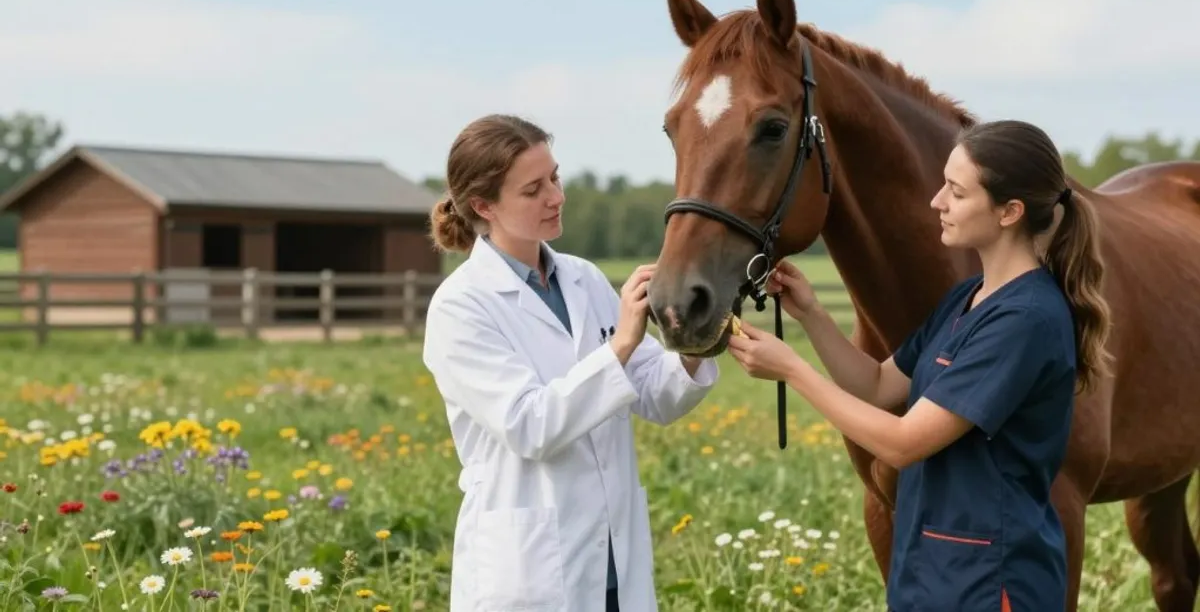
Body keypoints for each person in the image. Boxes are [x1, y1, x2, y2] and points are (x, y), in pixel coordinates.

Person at [725, 119, 1114, 611]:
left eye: (956, 191)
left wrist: (793, 372)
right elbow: (878, 385)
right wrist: (812, 314)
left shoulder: (1026, 320)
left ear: (1009, 212)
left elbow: (904, 442)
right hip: (931, 567)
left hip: (991, 581)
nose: (937, 202)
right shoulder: (968, 298)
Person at [422, 114, 720, 612]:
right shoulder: (461, 306)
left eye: (555, 177)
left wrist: (697, 334)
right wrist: (620, 344)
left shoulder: (582, 278)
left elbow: (654, 394)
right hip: (531, 573)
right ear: (482, 206)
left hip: (614, 562)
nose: (556, 196)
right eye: (533, 189)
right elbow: (529, 425)